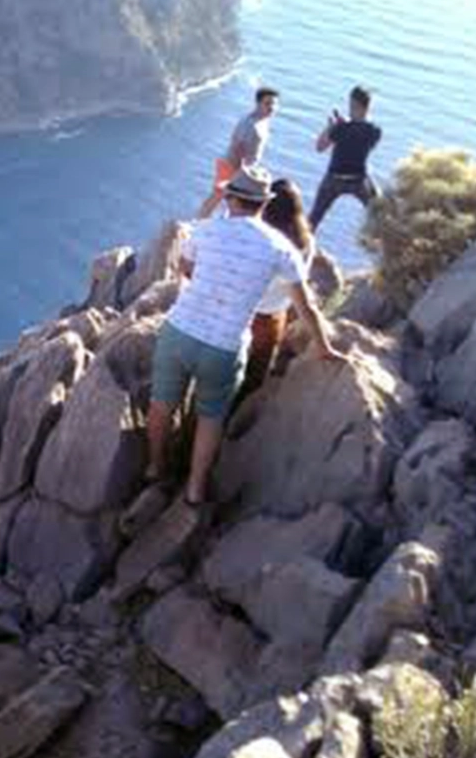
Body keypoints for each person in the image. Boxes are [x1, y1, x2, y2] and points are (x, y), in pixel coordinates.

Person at [143, 165, 347, 522]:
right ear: (263, 203)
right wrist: (324, 347)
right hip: (224, 345)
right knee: (211, 418)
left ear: (232, 197)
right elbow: (306, 306)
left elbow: (186, 270)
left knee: (161, 405)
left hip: (179, 331)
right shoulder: (282, 248)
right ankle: (194, 490)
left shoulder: (205, 229)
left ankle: (156, 468)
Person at [235, 178, 317, 406]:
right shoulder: (306, 244)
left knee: (222, 375)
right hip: (271, 319)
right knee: (255, 376)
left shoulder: (258, 237)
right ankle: (238, 421)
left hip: (240, 312)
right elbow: (299, 283)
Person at [198, 86, 279, 219]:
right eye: (267, 103)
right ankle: (198, 223)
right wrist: (240, 174)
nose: (272, 107)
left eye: (274, 104)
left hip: (242, 168)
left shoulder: (263, 121)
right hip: (232, 166)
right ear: (258, 103)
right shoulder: (250, 124)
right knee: (218, 197)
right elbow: (237, 147)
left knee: (226, 201)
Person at [308, 86, 383, 229]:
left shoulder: (340, 128)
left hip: (334, 178)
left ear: (353, 104)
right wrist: (346, 125)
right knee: (380, 213)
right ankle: (388, 245)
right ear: (368, 106)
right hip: (359, 180)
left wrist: (331, 127)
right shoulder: (375, 130)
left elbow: (319, 147)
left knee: (314, 219)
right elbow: (362, 143)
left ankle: (301, 246)